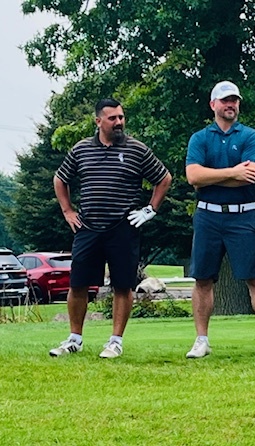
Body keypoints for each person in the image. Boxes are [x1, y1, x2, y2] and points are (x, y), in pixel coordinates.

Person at [50, 98, 172, 359]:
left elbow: (164, 178)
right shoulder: (81, 149)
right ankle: (74, 339)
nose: (119, 122)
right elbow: (60, 179)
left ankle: (115, 342)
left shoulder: (136, 149)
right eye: (112, 118)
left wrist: (150, 209)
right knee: (78, 283)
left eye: (121, 117)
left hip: (123, 227)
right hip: (88, 226)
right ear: (98, 121)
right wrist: (68, 211)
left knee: (122, 285)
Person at [185, 81, 255, 361]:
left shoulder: (251, 136)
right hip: (208, 215)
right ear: (213, 104)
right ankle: (201, 340)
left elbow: (249, 176)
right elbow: (193, 177)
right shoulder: (200, 138)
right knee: (203, 278)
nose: (231, 105)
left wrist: (211, 175)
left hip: (243, 215)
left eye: (235, 100)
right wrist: (232, 172)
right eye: (225, 100)